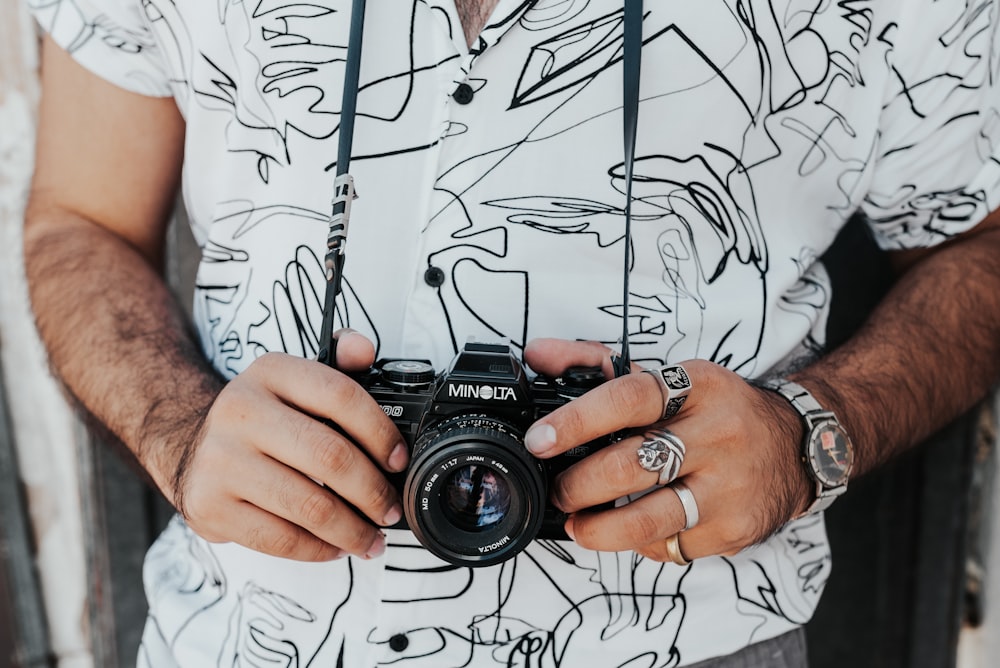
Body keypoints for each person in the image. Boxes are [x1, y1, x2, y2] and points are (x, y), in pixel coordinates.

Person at [21, 0, 1000, 666]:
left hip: (697, 638)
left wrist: (810, 434)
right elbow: (80, 220)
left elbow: (984, 239)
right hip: (246, 635)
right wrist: (183, 426)